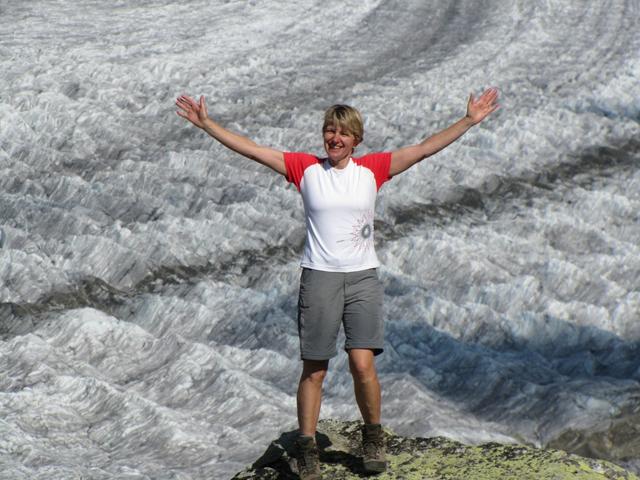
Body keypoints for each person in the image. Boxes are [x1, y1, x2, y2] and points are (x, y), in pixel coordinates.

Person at [176, 89, 499, 479]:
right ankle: (307, 446)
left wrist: (467, 121)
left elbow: (424, 148)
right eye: (329, 130)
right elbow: (252, 149)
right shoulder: (305, 169)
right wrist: (208, 124)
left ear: (356, 140)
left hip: (363, 277)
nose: (335, 138)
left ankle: (372, 437)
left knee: (363, 364)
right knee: (314, 369)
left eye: (343, 132)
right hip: (319, 278)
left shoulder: (373, 170)